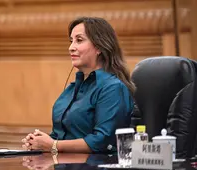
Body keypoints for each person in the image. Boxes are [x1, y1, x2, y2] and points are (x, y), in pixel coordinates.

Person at [22, 16, 135, 154]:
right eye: (71, 41)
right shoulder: (72, 88)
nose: (71, 48)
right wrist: (39, 142)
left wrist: (53, 145)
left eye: (79, 40)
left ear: (99, 47)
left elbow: (102, 141)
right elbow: (62, 136)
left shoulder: (112, 88)